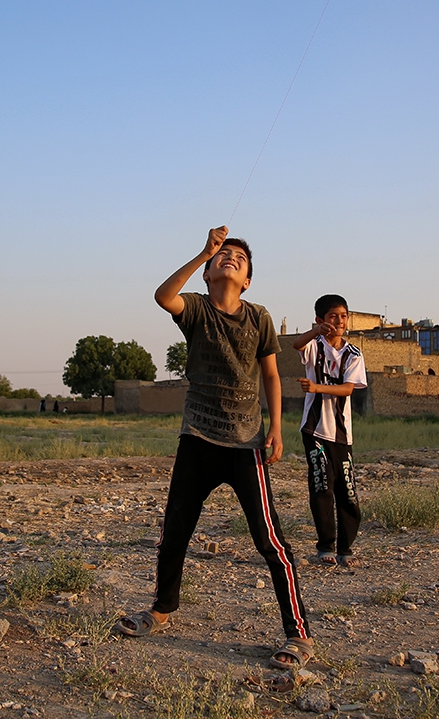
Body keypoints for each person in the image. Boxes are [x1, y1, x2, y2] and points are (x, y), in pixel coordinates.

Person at [115, 226, 312, 670]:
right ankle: (162, 609)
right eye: (223, 256)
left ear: (247, 280)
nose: (230, 258)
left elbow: (272, 376)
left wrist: (276, 429)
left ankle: (298, 633)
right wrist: (203, 251)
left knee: (270, 540)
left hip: (245, 443)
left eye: (239, 258)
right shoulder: (197, 309)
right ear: (206, 274)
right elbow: (163, 296)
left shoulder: (259, 317)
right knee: (175, 533)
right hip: (197, 439)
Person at [291, 295, 367, 566]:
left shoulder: (354, 354)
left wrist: (317, 388)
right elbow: (295, 344)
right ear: (322, 320)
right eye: (333, 316)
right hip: (314, 430)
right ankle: (326, 547)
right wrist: (315, 331)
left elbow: (348, 389)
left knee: (347, 491)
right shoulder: (315, 347)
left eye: (344, 316)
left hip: (342, 434)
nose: (340, 321)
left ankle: (346, 549)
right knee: (321, 487)